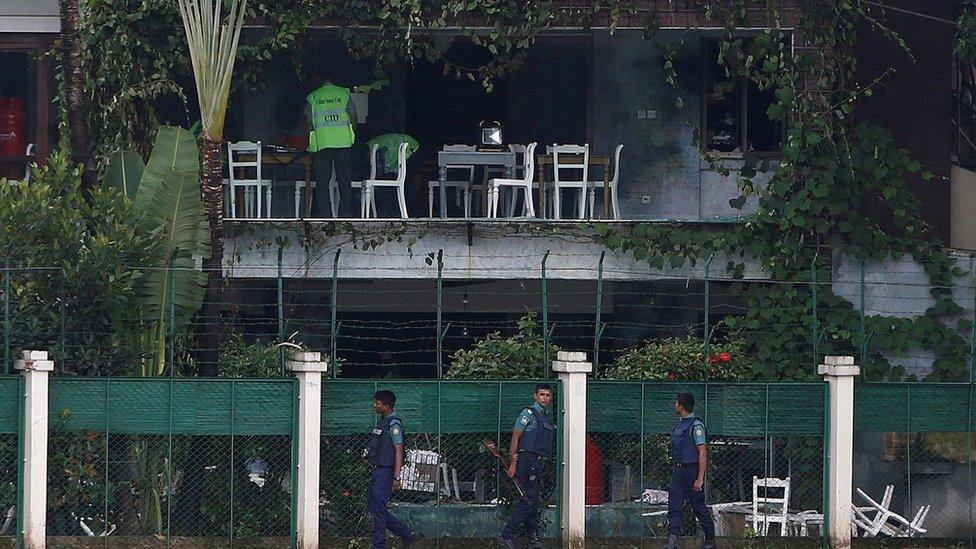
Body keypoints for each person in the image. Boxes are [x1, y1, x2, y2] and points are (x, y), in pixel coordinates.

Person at [498, 384, 556, 549]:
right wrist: (513, 463)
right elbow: (515, 439)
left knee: (534, 500)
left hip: (535, 461)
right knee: (529, 499)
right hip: (526, 460)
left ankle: (533, 539)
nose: (544, 397)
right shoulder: (528, 414)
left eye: (547, 395)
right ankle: (506, 535)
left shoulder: (545, 416)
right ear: (535, 396)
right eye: (542, 394)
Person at [366, 390, 423, 548]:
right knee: (374, 506)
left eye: (378, 403)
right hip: (378, 471)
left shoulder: (394, 424)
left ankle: (379, 545)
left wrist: (397, 477)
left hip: (386, 472)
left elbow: (398, 450)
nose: (375, 405)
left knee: (378, 509)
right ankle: (406, 533)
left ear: (387, 406)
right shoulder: (383, 422)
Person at [665, 393, 717, 549]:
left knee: (699, 507)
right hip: (678, 470)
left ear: (681, 406)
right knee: (674, 506)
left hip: (691, 471)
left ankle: (710, 541)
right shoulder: (678, 425)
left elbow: (702, 452)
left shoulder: (696, 426)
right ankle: (672, 542)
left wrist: (700, 478)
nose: (674, 405)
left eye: (676, 402)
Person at [306, 66, 357, 217]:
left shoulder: (313, 97)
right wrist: (352, 134)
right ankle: (345, 214)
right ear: (333, 77)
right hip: (343, 142)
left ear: (319, 79)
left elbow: (308, 122)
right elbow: (354, 116)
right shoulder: (344, 94)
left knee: (322, 181)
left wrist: (312, 138)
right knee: (344, 179)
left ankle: (324, 215)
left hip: (322, 143)